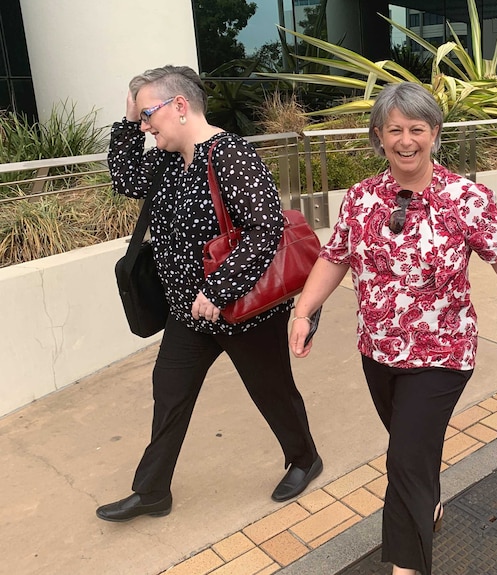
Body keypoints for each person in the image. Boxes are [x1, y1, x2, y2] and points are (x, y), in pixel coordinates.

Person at [288, 82, 497, 575]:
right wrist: (303, 312)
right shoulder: (361, 198)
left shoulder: (466, 197)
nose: (406, 140)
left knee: (403, 460)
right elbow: (334, 257)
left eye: (417, 129)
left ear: (435, 134)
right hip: (377, 351)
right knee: (415, 451)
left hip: (441, 352)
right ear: (378, 135)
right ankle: (430, 502)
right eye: (395, 129)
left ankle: (406, 566)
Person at [98, 65, 321, 522]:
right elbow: (124, 180)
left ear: (179, 106)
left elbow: (266, 228)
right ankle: (153, 490)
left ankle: (304, 459)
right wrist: (126, 120)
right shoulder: (165, 161)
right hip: (188, 313)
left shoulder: (230, 154)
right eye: (140, 119)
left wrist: (218, 292)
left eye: (147, 116)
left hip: (241, 312)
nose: (145, 126)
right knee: (170, 392)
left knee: (271, 390)